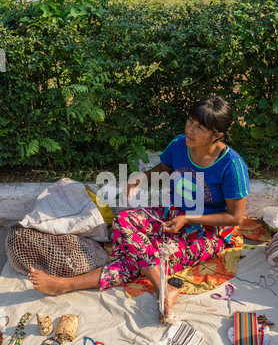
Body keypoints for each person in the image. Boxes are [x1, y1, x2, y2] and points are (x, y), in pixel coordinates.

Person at [28, 96, 249, 322]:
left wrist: (188, 218)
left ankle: (66, 285)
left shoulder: (231, 166)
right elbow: (164, 166)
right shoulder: (180, 144)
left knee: (144, 258)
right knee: (123, 221)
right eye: (190, 121)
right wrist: (140, 179)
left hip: (206, 231)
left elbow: (235, 217)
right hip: (171, 214)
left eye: (200, 127)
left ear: (218, 135)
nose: (190, 130)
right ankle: (163, 287)